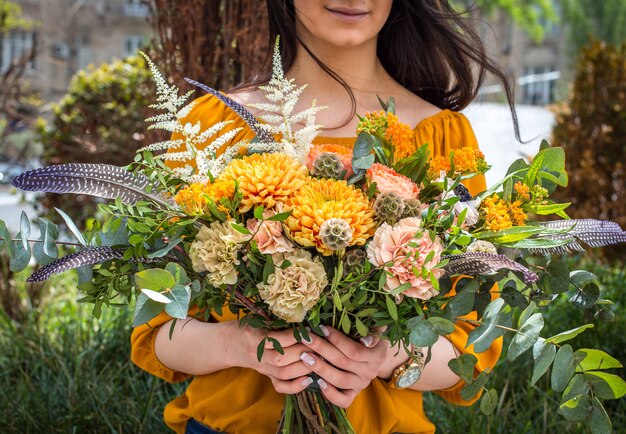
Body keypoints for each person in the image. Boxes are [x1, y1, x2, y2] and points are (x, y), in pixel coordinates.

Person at [131, 1, 515, 433]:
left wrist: (383, 358)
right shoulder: (212, 128)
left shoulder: (441, 139)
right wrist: (240, 344)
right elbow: (158, 330)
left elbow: (470, 351)